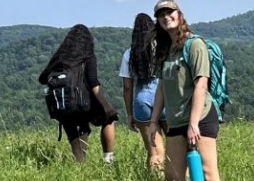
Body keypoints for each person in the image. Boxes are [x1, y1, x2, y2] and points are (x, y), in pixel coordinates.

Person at [149, 0, 229, 181]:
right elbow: (161, 88)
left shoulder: (195, 45)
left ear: (179, 14)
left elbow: (201, 84)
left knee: (209, 174)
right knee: (173, 177)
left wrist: (193, 124)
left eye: (170, 12)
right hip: (175, 121)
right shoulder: (166, 51)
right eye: (161, 14)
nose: (166, 17)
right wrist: (153, 122)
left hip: (200, 118)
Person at [36, 24, 118, 162]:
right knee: (108, 118)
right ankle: (108, 160)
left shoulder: (60, 58)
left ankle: (80, 169)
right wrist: (106, 106)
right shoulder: (87, 56)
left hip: (63, 106)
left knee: (75, 137)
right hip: (81, 104)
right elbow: (93, 81)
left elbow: (42, 78)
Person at [120, 13, 165, 170]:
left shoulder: (129, 53)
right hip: (164, 95)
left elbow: (127, 88)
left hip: (142, 100)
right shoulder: (163, 47)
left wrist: (130, 114)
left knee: (154, 152)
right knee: (177, 147)